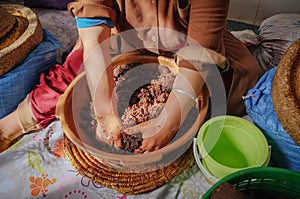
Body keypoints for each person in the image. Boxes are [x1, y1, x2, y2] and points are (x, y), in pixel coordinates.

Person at [0, 0, 262, 153]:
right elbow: (93, 32)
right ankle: (13, 124)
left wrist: (169, 121)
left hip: (189, 44)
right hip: (128, 39)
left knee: (223, 92)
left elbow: (202, 50)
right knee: (77, 70)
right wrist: (104, 111)